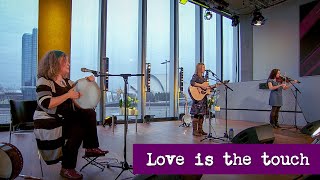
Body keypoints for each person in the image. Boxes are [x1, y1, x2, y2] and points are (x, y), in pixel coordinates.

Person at [33, 50, 108, 179]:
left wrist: (88, 81)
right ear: (54, 64)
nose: (68, 64)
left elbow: (78, 89)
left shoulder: (66, 82)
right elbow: (47, 103)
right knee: (77, 130)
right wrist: (68, 94)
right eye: (65, 62)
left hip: (64, 117)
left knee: (89, 112)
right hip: (49, 119)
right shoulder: (44, 81)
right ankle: (67, 168)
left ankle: (90, 147)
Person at [189, 63, 219, 136]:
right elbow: (192, 83)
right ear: (199, 68)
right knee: (196, 114)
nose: (204, 68)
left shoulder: (204, 78)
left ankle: (200, 130)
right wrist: (201, 85)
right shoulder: (195, 76)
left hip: (203, 98)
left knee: (202, 115)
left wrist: (215, 85)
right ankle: (194, 131)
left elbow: (207, 88)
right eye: (203, 67)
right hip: (198, 99)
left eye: (204, 67)